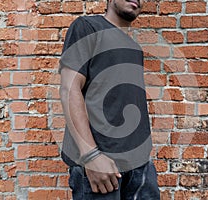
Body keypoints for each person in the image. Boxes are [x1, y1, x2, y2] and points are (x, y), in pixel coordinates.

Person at [59, 0, 160, 199]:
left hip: (140, 169)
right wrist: (91, 156)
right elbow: (69, 90)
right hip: (103, 164)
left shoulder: (134, 47)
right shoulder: (87, 27)